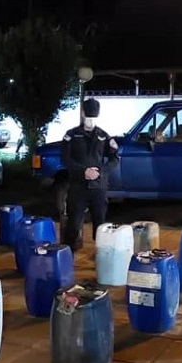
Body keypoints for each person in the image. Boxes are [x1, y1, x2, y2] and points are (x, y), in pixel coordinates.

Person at [60, 98, 120, 251]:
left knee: (100, 226)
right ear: (82, 114)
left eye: (93, 117)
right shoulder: (71, 135)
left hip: (98, 187)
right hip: (78, 186)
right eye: (88, 117)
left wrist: (101, 171)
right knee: (73, 224)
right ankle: (68, 255)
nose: (90, 120)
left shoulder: (103, 136)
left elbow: (114, 159)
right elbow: (65, 158)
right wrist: (83, 171)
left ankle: (102, 256)